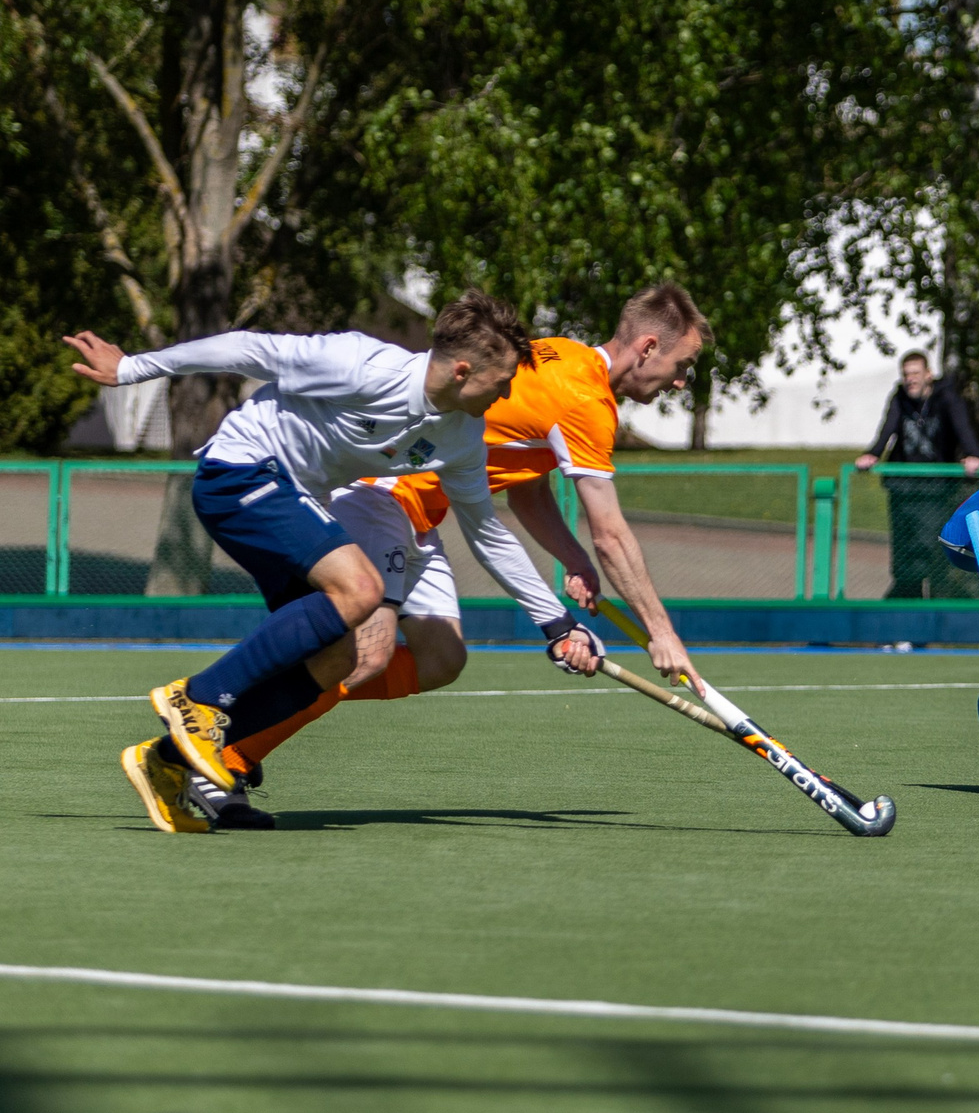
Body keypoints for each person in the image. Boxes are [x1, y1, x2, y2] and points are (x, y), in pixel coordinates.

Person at [177, 285, 715, 828]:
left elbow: (525, 486)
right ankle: (221, 751)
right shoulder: (587, 403)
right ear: (647, 347)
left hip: (422, 510)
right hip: (383, 494)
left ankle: (236, 727)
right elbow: (613, 535)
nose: (679, 381)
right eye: (681, 365)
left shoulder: (564, 356)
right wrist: (661, 635)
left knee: (440, 660)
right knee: (368, 654)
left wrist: (571, 559)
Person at [65, 293, 601, 835]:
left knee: (338, 660)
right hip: (242, 470)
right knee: (362, 589)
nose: (509, 392)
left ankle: (168, 760)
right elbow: (243, 348)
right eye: (503, 379)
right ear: (463, 370)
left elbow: (486, 531)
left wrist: (555, 623)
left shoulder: (461, 436)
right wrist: (132, 368)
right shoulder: (363, 364)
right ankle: (195, 700)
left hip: (293, 500)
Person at [855, 351, 979, 599]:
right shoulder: (899, 398)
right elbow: (888, 428)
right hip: (904, 488)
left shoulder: (946, 397)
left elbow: (962, 426)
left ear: (929, 374)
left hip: (936, 490)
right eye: (906, 375)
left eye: (915, 373)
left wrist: (972, 453)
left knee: (933, 551)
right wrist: (873, 453)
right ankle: (905, 616)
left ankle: (935, 614)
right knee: (905, 556)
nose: (910, 380)